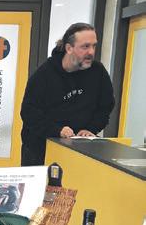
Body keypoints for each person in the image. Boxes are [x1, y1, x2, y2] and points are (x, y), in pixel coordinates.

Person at [20, 22, 115, 166]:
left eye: (94, 46)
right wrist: (57, 130)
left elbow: (105, 107)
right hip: (40, 150)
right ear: (69, 48)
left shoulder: (98, 72)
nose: (91, 52)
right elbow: (29, 113)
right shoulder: (44, 74)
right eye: (85, 46)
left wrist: (90, 128)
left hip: (79, 149)